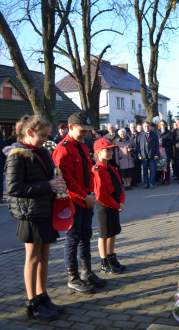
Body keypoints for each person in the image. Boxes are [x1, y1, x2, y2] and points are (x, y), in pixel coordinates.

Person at [4, 115, 66, 321]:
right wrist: (48, 186)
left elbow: (48, 177)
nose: (45, 139)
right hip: (29, 213)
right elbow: (13, 188)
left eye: (47, 136)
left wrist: (56, 182)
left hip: (45, 209)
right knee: (32, 258)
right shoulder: (17, 155)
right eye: (42, 136)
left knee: (45, 256)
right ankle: (32, 303)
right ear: (29, 132)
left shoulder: (41, 151)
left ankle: (42, 296)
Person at [53, 112, 106, 293]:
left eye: (87, 131)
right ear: (71, 127)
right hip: (74, 201)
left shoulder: (82, 147)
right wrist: (85, 196)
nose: (85, 134)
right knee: (73, 238)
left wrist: (91, 192)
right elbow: (66, 180)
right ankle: (73, 276)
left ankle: (86, 272)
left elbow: (88, 172)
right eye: (82, 130)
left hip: (86, 199)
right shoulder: (63, 149)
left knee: (85, 235)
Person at [92, 138, 126, 274]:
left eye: (111, 149)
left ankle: (112, 258)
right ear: (98, 152)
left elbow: (120, 186)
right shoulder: (97, 169)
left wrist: (121, 201)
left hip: (115, 204)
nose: (110, 152)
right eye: (107, 150)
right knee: (104, 234)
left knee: (113, 233)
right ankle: (104, 262)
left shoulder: (112, 168)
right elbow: (101, 194)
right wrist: (116, 205)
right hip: (105, 206)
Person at [137, 121, 159, 189]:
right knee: (145, 171)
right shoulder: (140, 135)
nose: (146, 127)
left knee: (153, 170)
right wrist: (139, 154)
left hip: (152, 156)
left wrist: (156, 154)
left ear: (150, 127)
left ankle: (152, 183)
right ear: (143, 127)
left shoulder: (154, 135)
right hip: (144, 157)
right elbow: (137, 146)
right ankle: (146, 183)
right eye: (145, 126)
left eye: (147, 126)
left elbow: (157, 146)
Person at [158, 120, 173, 184]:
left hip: (166, 151)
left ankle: (167, 179)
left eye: (163, 124)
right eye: (161, 124)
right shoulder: (157, 132)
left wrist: (162, 143)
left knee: (166, 166)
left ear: (165, 125)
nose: (162, 125)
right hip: (159, 152)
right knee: (160, 166)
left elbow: (171, 142)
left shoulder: (169, 133)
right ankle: (161, 179)